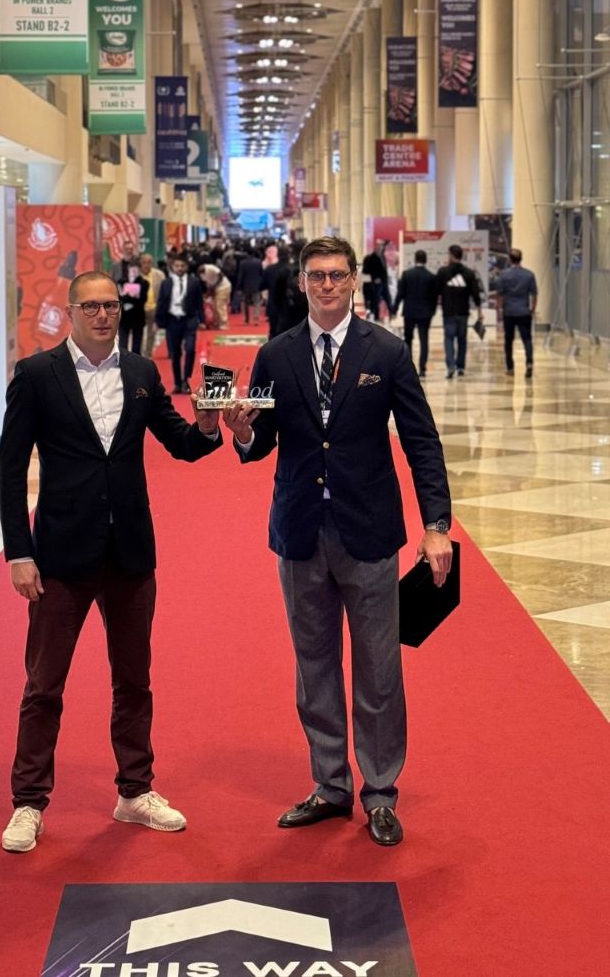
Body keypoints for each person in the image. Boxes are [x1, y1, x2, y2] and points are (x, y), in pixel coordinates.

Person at [223, 236, 452, 848]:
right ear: (301, 282)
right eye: (316, 276)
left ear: (353, 281)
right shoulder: (276, 354)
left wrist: (436, 525)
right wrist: (242, 433)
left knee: (379, 669)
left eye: (337, 275)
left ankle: (380, 792)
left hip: (369, 532)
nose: (327, 285)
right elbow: (263, 440)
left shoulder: (388, 351)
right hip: (300, 531)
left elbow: (421, 441)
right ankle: (330, 785)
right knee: (315, 665)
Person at [0, 271, 222, 853]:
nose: (103, 316)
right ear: (71, 312)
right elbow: (10, 470)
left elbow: (181, 444)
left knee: (134, 681)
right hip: (60, 556)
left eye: (112, 306)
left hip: (130, 553)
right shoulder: (36, 375)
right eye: (91, 307)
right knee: (44, 685)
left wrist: (206, 426)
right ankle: (28, 803)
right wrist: (19, 552)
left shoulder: (142, 372)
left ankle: (135, 791)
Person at [155, 258, 203, 394]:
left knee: (190, 349)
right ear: (172, 267)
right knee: (175, 353)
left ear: (186, 266)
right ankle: (177, 383)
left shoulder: (194, 282)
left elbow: (199, 302)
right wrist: (158, 321)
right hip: (172, 321)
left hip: (189, 320)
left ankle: (186, 381)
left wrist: (202, 319)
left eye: (182, 265)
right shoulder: (166, 283)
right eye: (177, 265)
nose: (180, 268)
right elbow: (161, 302)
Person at [436, 244, 483, 378]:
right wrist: (480, 312)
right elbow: (476, 294)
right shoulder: (469, 273)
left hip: (448, 312)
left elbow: (436, 291)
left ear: (451, 255)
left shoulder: (443, 272)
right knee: (462, 340)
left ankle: (451, 366)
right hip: (463, 312)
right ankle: (461, 367)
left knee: (449, 339)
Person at [392, 249, 438, 378]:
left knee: (408, 339)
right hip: (425, 313)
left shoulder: (407, 274)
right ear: (425, 260)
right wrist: (432, 310)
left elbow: (400, 294)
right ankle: (422, 368)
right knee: (424, 340)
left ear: (415, 259)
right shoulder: (431, 276)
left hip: (409, 312)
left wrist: (394, 309)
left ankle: (409, 367)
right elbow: (434, 296)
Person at [495, 248, 538, 379]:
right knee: (527, 339)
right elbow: (534, 294)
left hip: (509, 312)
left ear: (510, 260)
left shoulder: (503, 275)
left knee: (508, 340)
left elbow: (500, 295)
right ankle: (529, 363)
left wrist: (499, 309)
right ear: (521, 259)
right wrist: (532, 309)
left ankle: (510, 367)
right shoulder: (529, 275)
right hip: (524, 311)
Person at [117, 259, 149, 355]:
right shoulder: (121, 281)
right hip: (124, 317)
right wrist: (131, 296)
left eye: (137, 270)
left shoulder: (144, 283)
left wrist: (126, 295)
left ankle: (136, 362)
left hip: (138, 316)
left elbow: (142, 300)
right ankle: (124, 362)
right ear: (128, 269)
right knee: (122, 344)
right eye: (132, 269)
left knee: (136, 346)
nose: (134, 272)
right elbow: (119, 298)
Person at [140, 254, 165, 358]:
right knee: (139, 333)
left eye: (149, 263)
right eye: (144, 263)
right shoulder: (136, 274)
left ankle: (147, 354)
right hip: (139, 309)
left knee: (151, 333)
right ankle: (138, 354)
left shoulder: (159, 275)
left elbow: (164, 293)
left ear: (152, 263)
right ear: (140, 264)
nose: (146, 265)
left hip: (154, 307)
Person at [197, 260, 232, 329]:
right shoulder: (201, 275)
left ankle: (223, 323)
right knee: (214, 306)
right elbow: (208, 285)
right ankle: (217, 322)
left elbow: (221, 275)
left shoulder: (211, 267)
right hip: (215, 288)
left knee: (220, 305)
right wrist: (207, 294)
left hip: (223, 286)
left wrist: (215, 285)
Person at [361, 240, 388, 321]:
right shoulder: (371, 260)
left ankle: (373, 316)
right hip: (370, 285)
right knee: (372, 301)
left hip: (373, 285)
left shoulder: (381, 258)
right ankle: (372, 316)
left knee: (374, 301)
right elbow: (365, 272)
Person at [237, 246, 264, 325]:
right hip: (257, 285)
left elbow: (240, 276)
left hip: (246, 286)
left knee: (245, 303)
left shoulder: (243, 263)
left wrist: (239, 287)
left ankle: (246, 320)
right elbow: (261, 274)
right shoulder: (259, 262)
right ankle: (256, 319)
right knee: (256, 303)